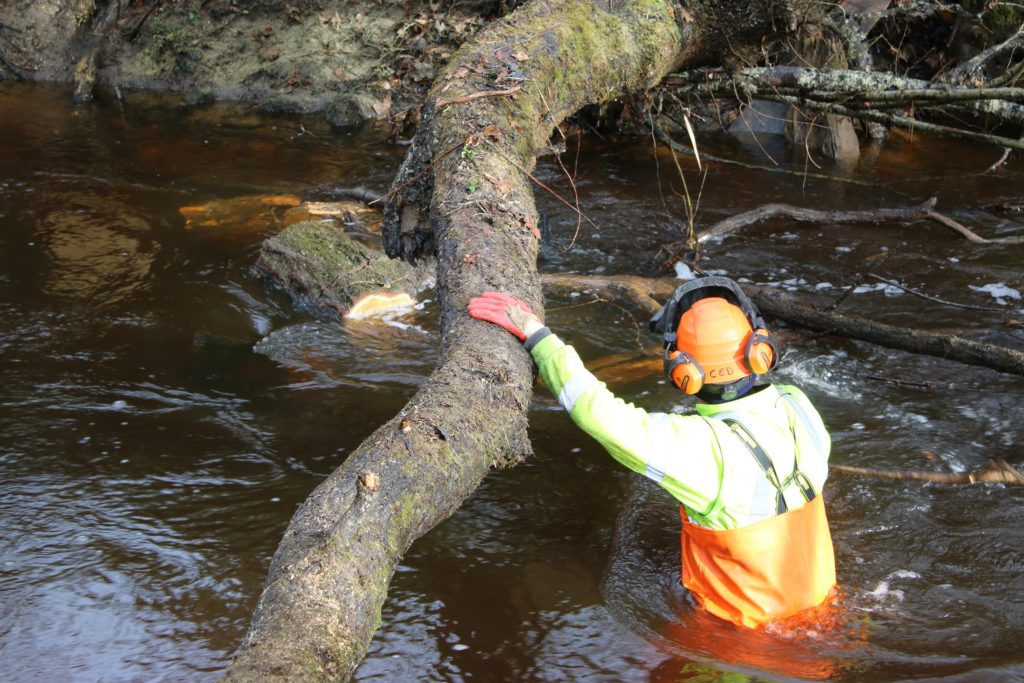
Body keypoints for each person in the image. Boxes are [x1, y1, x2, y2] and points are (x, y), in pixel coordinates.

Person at [467, 276, 836, 629]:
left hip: (738, 636)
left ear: (682, 372)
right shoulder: (797, 405)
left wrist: (537, 336)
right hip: (825, 614)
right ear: (760, 350)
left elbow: (597, 413)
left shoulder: (697, 447)